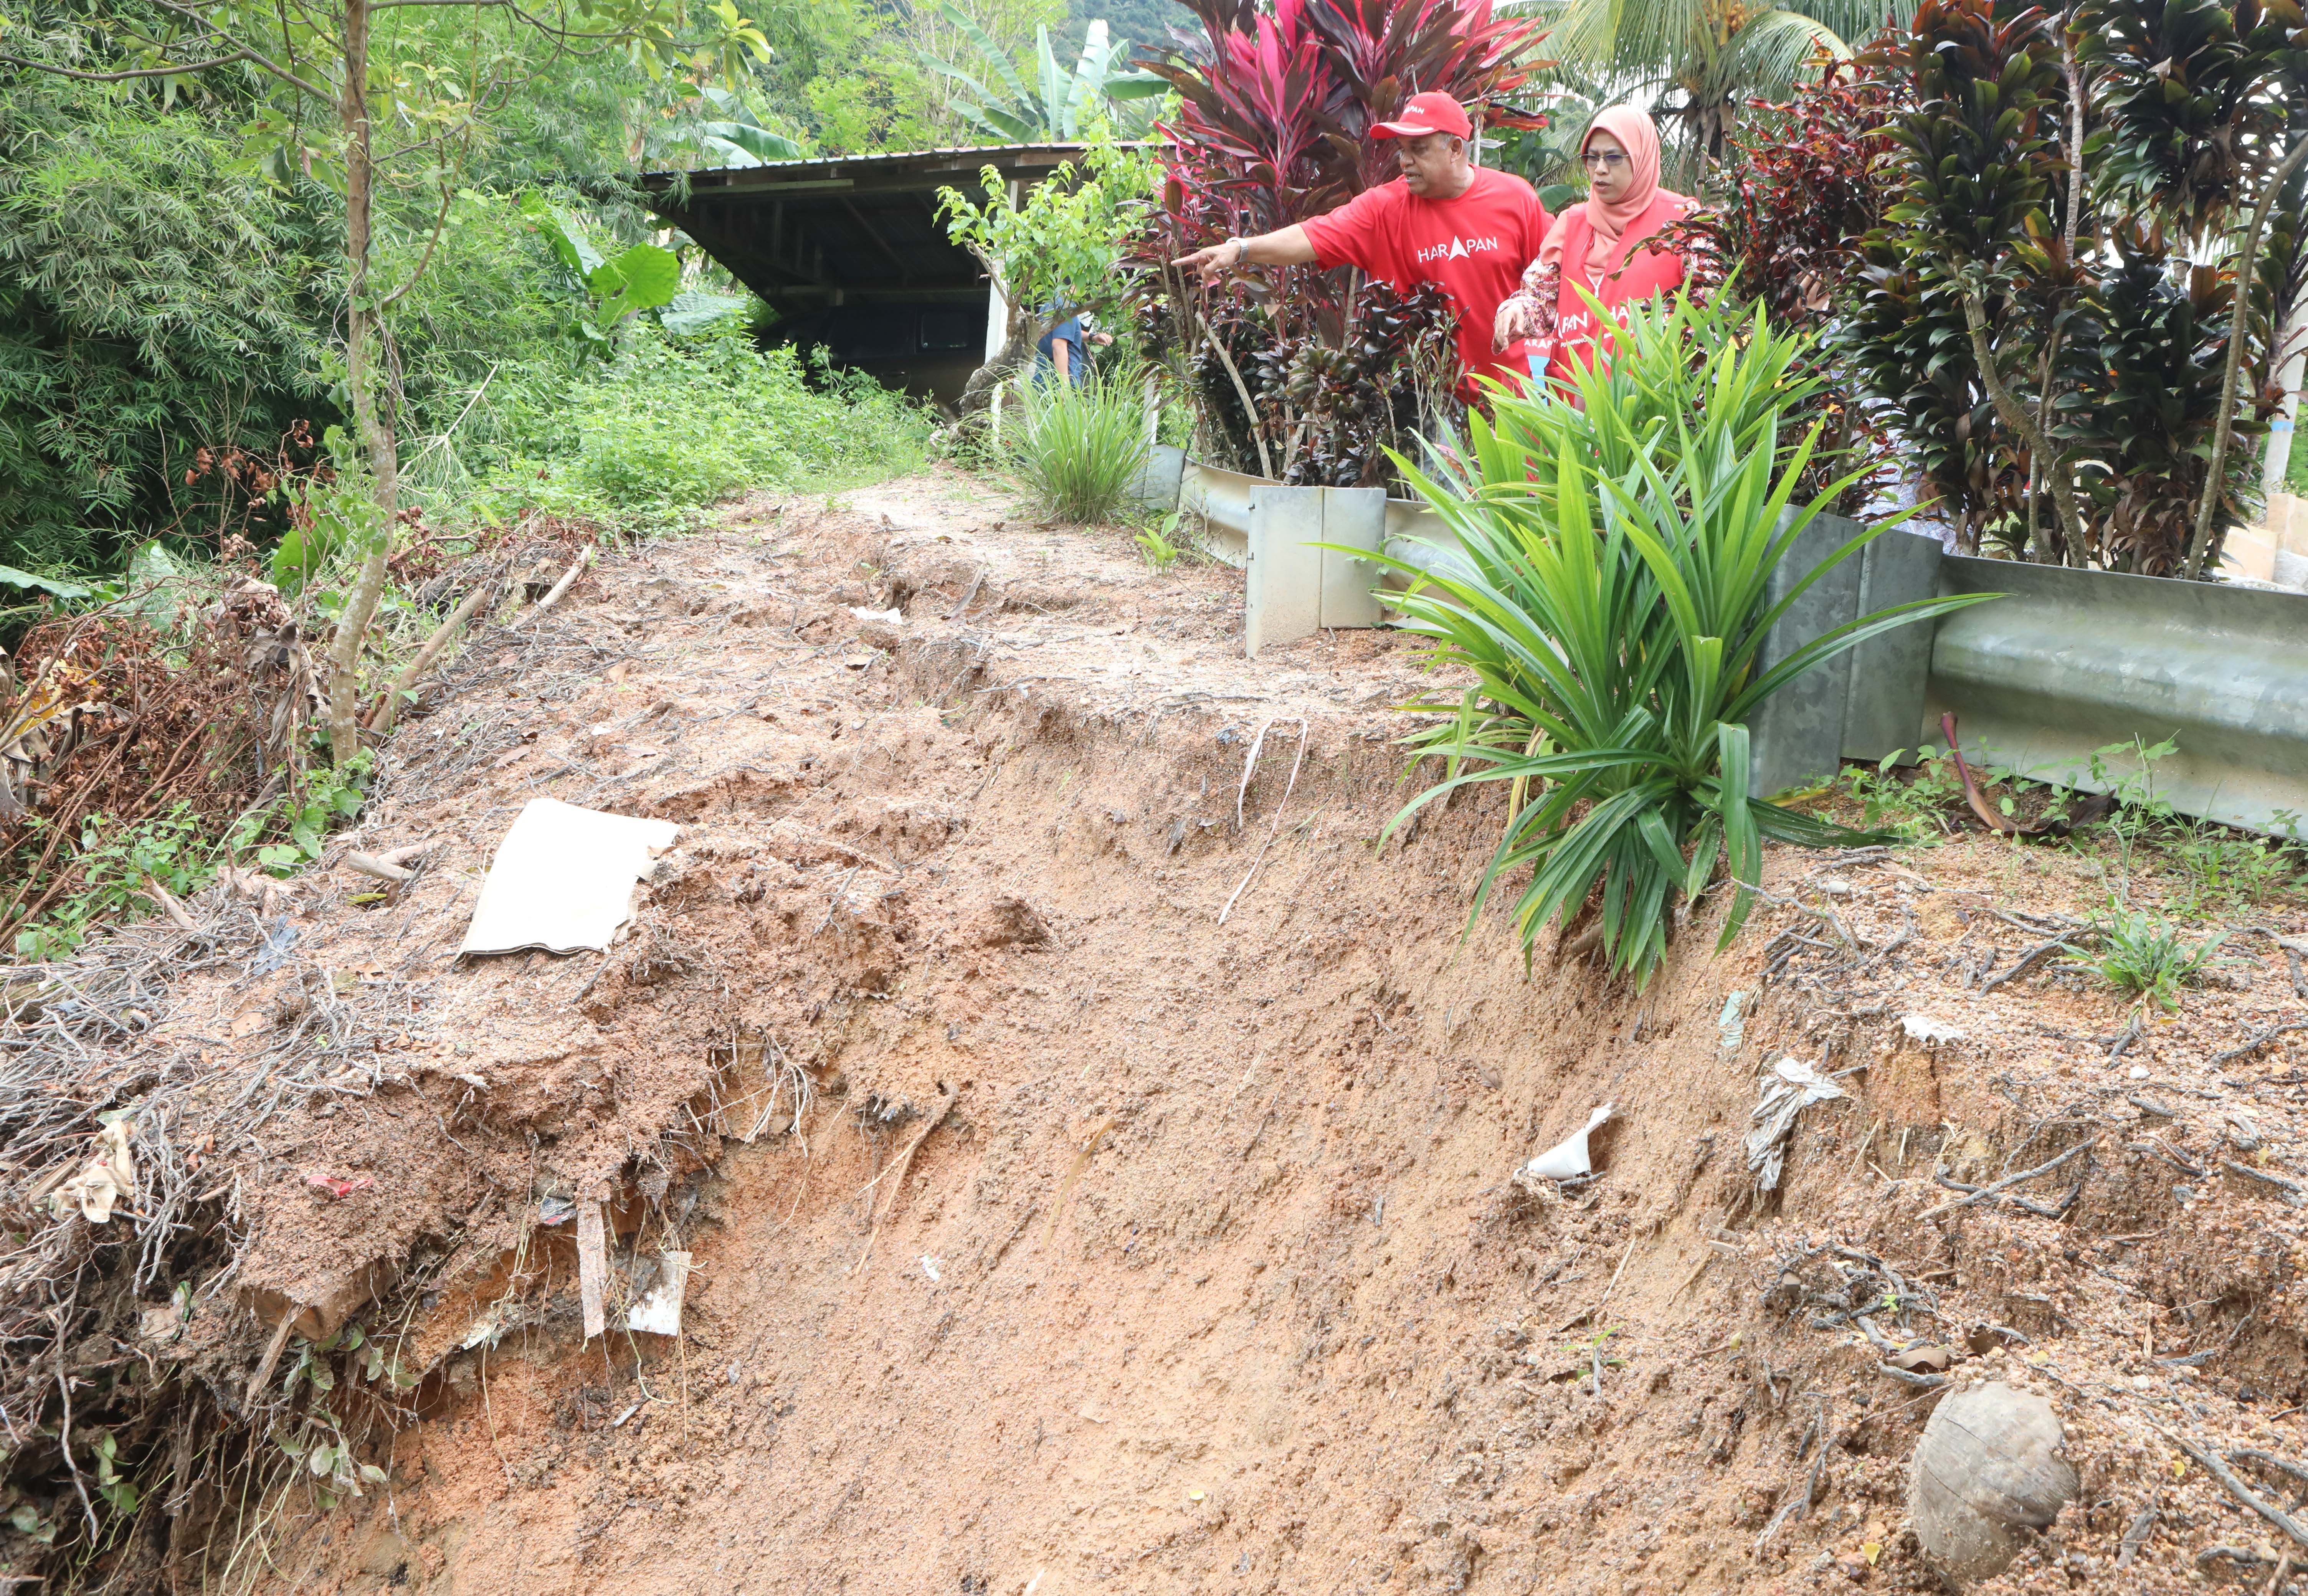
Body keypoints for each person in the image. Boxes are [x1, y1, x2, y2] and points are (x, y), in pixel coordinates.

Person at [1172, 92, 1552, 399]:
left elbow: (1555, 277)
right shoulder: (1383, 208)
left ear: (1455, 149)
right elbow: (1311, 235)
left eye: (1418, 149)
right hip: (1428, 403)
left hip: (1511, 398)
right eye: (1401, 149)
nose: (1404, 161)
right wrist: (1240, 249)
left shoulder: (1515, 198)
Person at [1493, 106, 1696, 392]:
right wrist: (1516, 311)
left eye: (1613, 157)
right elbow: (1540, 298)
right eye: (1592, 157)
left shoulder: (1684, 219)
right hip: (1574, 401)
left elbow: (1706, 313)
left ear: (1641, 156)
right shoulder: (1572, 222)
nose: (1599, 169)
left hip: (1652, 400)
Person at [1036, 308, 1114, 387]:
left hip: (1044, 378)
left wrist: (1092, 337)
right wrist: (1065, 387)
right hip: (1060, 383)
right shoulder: (1066, 307)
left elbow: (1066, 332)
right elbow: (1059, 346)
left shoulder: (1050, 306)